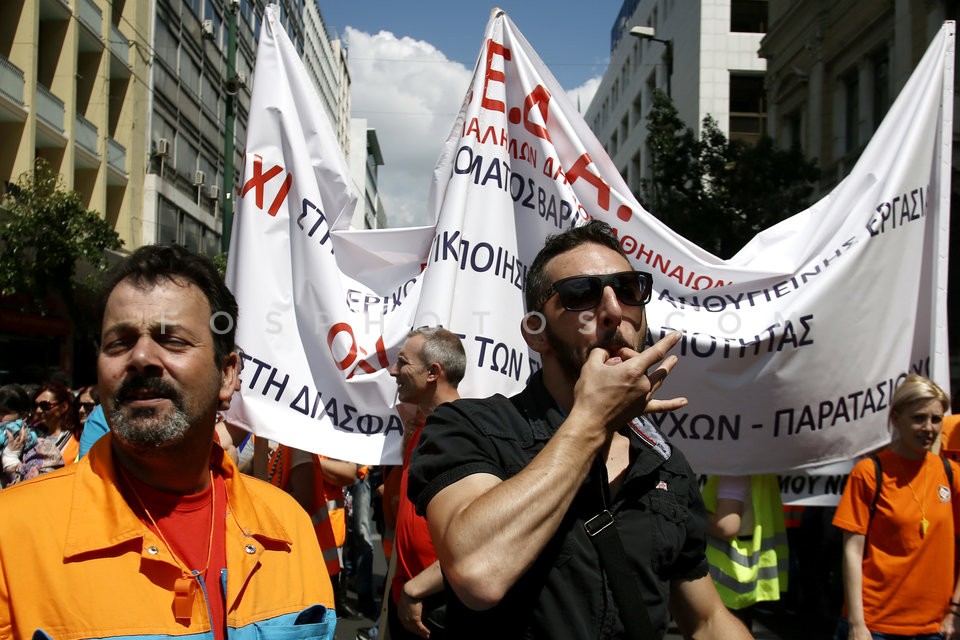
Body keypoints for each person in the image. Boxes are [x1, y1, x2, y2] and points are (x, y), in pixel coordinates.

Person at [407, 220, 751, 639]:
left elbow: (706, 619)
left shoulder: (663, 465)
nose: (612, 311)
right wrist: (591, 421)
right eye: (580, 295)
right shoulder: (470, 427)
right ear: (537, 333)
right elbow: (478, 574)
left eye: (628, 290)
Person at [0, 244, 336, 639]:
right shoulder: (12, 534)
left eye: (172, 340)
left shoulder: (288, 527)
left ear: (228, 376)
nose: (141, 357)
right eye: (119, 343)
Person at [832, 373, 960, 640]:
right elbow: (852, 551)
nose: (929, 428)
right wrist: (857, 624)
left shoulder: (951, 474)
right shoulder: (869, 472)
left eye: (936, 419)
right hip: (876, 627)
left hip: (935, 629)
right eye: (918, 418)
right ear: (895, 419)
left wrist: (955, 611)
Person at [385, 326, 465, 640]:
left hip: (439, 607)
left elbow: (478, 543)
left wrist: (418, 590)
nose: (393, 371)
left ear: (432, 372)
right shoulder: (423, 429)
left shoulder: (464, 435)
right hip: (407, 596)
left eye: (402, 363)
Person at [264, 442, 360, 618]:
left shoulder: (314, 439)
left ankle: (340, 602)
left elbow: (350, 473)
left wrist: (312, 462)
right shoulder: (263, 440)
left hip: (325, 533)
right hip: (297, 544)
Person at [702, 474, 788, 631]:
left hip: (725, 575)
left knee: (723, 628)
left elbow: (726, 526)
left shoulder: (732, 473)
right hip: (744, 568)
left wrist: (686, 510)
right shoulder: (759, 470)